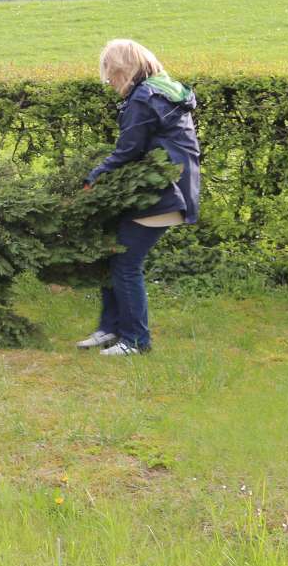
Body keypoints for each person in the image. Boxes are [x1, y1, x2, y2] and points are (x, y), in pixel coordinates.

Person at [77, 39, 200, 356]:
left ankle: (135, 341)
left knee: (125, 262)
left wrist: (94, 177)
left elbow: (129, 150)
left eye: (111, 75)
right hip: (165, 188)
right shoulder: (162, 89)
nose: (110, 82)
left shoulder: (144, 98)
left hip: (161, 192)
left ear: (122, 69)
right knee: (113, 255)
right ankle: (110, 329)